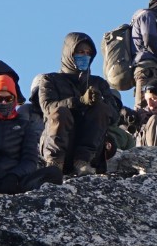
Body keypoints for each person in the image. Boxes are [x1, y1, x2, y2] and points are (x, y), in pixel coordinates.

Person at [32, 32, 120, 178]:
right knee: (61, 112)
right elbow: (48, 107)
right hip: (59, 143)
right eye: (80, 52)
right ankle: (54, 163)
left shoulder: (99, 83)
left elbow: (114, 116)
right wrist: (79, 102)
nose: (84, 56)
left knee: (101, 109)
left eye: (88, 53)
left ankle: (82, 162)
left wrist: (99, 103)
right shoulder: (50, 80)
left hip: (89, 152)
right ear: (69, 53)